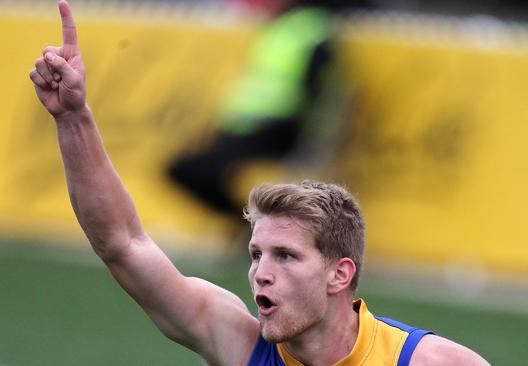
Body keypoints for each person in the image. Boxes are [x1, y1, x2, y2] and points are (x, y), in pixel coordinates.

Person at [29, 1, 490, 365]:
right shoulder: (238, 344)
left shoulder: (426, 361)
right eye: (256, 253)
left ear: (340, 273)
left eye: (285, 255)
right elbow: (122, 243)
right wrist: (73, 117)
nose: (260, 273)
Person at [168, 0, 346, 222]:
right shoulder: (283, 26)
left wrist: (310, 145)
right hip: (244, 128)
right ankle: (254, 223)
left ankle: (254, 224)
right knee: (185, 170)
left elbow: (321, 95)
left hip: (276, 130)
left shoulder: (310, 30)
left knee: (192, 170)